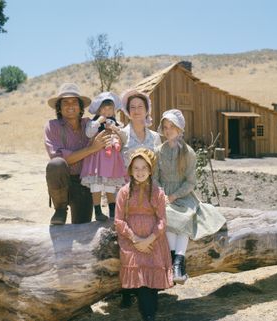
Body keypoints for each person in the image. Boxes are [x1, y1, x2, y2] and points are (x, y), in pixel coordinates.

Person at [155, 109, 226, 284]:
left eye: (172, 126)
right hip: (163, 195)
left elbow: (190, 182)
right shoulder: (157, 152)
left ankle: (178, 263)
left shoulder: (188, 153)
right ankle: (175, 263)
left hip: (183, 195)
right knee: (168, 217)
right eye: (165, 127)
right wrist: (163, 194)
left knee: (185, 218)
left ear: (180, 129)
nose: (168, 130)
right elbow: (155, 178)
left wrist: (174, 195)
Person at [115, 148, 173, 321]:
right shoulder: (124, 192)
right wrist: (135, 239)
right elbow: (118, 221)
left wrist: (149, 239)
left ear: (150, 170)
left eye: (144, 168)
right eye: (136, 168)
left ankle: (149, 313)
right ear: (130, 171)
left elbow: (162, 220)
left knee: (149, 280)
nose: (140, 172)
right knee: (139, 271)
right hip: (130, 239)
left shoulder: (157, 192)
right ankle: (144, 311)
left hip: (153, 240)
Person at [44, 83, 111, 225]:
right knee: (56, 164)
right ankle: (60, 210)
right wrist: (91, 149)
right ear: (59, 108)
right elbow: (60, 158)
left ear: (81, 107)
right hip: (63, 181)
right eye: (65, 102)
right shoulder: (52, 126)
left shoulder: (90, 124)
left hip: (84, 182)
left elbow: (108, 130)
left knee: (81, 230)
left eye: (74, 102)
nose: (70, 106)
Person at [119, 89, 162, 308]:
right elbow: (114, 167)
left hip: (152, 195)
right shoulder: (122, 135)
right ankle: (128, 288)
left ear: (147, 110)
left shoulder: (155, 137)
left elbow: (159, 168)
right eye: (132, 107)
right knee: (129, 235)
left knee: (156, 233)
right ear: (127, 111)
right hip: (127, 195)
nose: (136, 111)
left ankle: (153, 283)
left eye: (140, 107)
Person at [80, 92, 126, 221]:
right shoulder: (93, 123)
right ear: (99, 110)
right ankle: (98, 211)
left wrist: (116, 129)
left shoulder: (117, 124)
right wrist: (98, 121)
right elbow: (89, 134)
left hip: (111, 160)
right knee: (96, 185)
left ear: (114, 110)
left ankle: (112, 211)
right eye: (104, 109)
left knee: (110, 186)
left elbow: (124, 138)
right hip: (97, 159)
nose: (107, 111)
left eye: (109, 108)